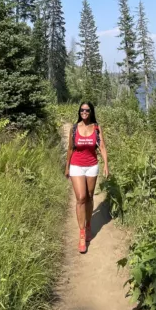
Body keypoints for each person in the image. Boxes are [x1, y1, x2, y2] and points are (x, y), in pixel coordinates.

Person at [65, 101, 109, 254]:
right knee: (81, 197)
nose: (84, 112)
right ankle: (82, 233)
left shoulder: (96, 128)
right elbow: (70, 149)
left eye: (87, 110)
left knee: (90, 197)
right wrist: (67, 168)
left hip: (92, 166)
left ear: (91, 112)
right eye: (82, 110)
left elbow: (102, 146)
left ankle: (89, 223)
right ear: (79, 112)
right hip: (76, 165)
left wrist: (106, 165)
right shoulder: (75, 128)